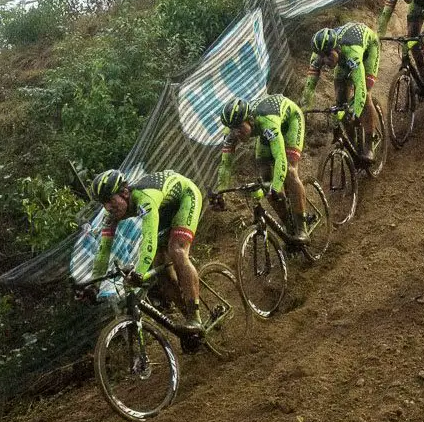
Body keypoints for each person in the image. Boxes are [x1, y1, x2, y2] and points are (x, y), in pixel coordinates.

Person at [89, 169, 204, 333]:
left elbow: (149, 238)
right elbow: (103, 252)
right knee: (159, 267)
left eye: (109, 200)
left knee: (176, 250)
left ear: (124, 193)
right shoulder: (111, 216)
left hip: (185, 197)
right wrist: (94, 284)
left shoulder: (144, 198)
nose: (107, 207)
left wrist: (139, 272)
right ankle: (189, 324)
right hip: (164, 209)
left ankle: (195, 319)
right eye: (103, 203)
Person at [214, 95, 310, 243]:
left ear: (250, 120)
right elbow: (225, 165)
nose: (237, 133)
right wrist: (221, 192)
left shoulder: (266, 121)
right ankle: (290, 228)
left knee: (290, 171)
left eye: (240, 127)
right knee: (265, 178)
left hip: (291, 122)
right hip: (265, 134)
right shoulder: (231, 134)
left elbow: (280, 157)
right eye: (233, 130)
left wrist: (276, 186)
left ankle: (302, 228)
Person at [304, 23, 381, 161]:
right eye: (321, 56)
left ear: (337, 48)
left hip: (368, 50)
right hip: (344, 60)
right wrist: (305, 109)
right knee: (341, 104)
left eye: (328, 54)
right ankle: (354, 146)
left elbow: (361, 87)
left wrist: (356, 112)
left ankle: (369, 143)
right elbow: (309, 87)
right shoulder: (318, 56)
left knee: (365, 95)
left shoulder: (351, 51)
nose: (325, 60)